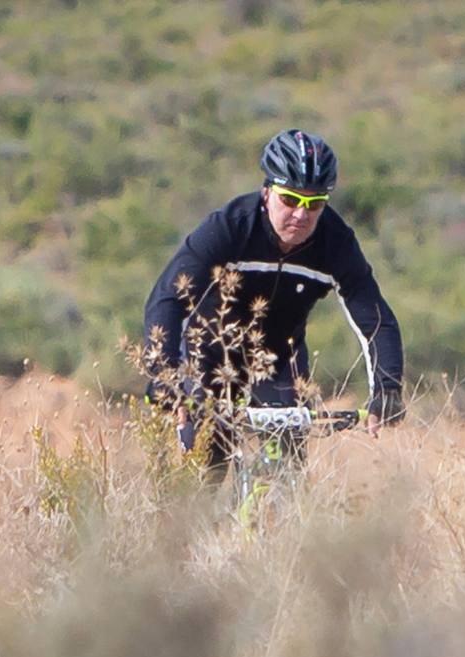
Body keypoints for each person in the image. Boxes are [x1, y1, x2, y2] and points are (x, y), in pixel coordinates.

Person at [139, 128, 404, 470]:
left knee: (287, 471)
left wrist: (388, 389)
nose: (301, 214)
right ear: (267, 193)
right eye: (291, 199)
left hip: (280, 360)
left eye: (315, 203)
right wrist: (168, 379)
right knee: (209, 468)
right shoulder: (230, 228)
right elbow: (168, 300)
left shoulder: (334, 242)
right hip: (209, 355)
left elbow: (375, 318)